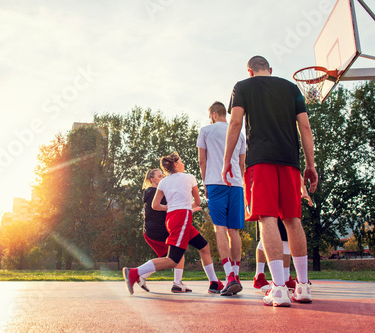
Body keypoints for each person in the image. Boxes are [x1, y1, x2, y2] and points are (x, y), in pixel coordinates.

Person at [222, 56, 318, 307]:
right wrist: (310, 165)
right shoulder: (291, 87)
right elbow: (305, 128)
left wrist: (226, 162)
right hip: (290, 161)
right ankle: (304, 287)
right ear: (270, 70)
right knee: (293, 219)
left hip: (261, 160)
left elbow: (235, 123)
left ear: (250, 71)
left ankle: (278, 288)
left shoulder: (242, 86)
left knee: (267, 217)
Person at [123, 153, 224, 295]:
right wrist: (186, 207)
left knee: (204, 246)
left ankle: (214, 283)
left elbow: (155, 205)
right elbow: (198, 202)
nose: (183, 164)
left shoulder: (164, 182)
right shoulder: (189, 177)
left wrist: (174, 207)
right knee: (173, 260)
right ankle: (134, 272)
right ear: (175, 164)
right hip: (181, 218)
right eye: (181, 161)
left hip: (174, 218)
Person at [197, 101, 246, 296]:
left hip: (215, 182)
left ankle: (229, 277)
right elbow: (242, 163)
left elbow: (202, 161)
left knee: (220, 229)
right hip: (235, 184)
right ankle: (236, 274)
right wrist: (238, 182)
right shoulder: (239, 133)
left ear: (213, 114)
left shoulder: (206, 131)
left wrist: (205, 184)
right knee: (234, 231)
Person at [254, 181, 313, 292]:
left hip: (284, 186)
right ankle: (259, 275)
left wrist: (304, 191)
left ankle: (285, 278)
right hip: (267, 185)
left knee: (285, 236)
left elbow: (296, 170)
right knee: (267, 233)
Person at [140, 168, 191, 293]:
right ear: (152, 179)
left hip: (150, 232)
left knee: (166, 260)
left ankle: (141, 276)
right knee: (178, 253)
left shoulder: (151, 192)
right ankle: (177, 283)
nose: (162, 178)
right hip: (157, 232)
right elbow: (171, 205)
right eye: (159, 176)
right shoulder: (154, 192)